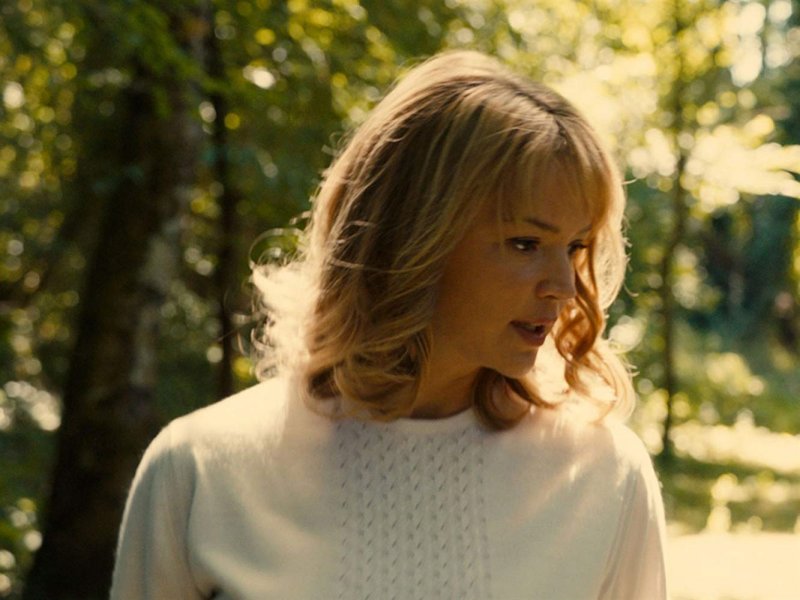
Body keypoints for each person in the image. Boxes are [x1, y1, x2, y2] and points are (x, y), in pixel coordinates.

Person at [111, 50, 668, 599]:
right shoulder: (199, 469)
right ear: (411, 239)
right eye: (525, 243)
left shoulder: (605, 478)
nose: (565, 286)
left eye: (575, 247)